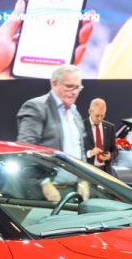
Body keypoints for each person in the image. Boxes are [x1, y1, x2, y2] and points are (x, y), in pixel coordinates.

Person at [16, 65, 87, 201]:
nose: (74, 92)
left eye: (77, 87)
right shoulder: (37, 107)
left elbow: (81, 151)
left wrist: (84, 180)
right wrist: (42, 183)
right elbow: (25, 149)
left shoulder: (74, 113)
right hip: (44, 193)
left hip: (72, 191)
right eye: (69, 86)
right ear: (54, 83)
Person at [83, 98, 117, 173]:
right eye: (97, 115)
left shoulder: (109, 127)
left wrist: (110, 156)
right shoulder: (81, 126)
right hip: (87, 171)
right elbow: (75, 151)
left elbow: (115, 150)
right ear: (90, 111)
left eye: (102, 115)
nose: (100, 119)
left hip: (105, 171)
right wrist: (90, 153)